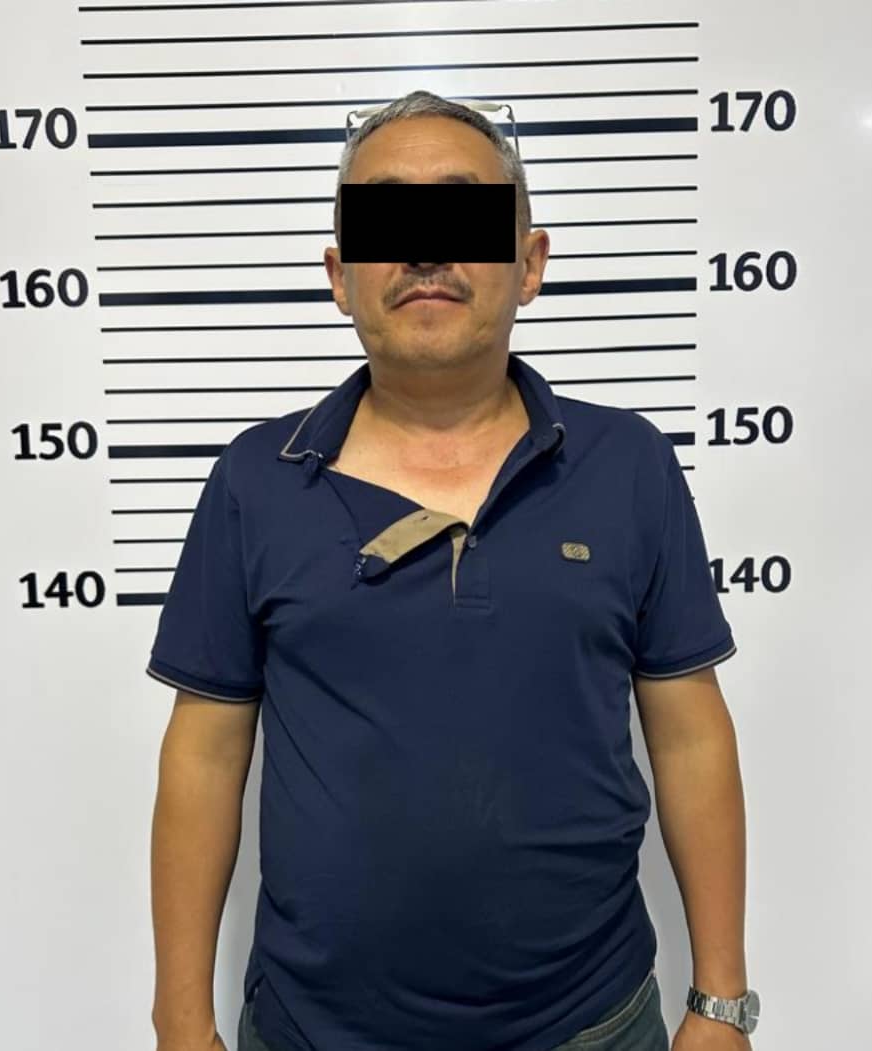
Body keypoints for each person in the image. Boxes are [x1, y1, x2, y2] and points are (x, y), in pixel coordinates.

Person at [147, 90, 755, 1051]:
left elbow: (689, 736)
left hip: (593, 1028)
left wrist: (720, 1001)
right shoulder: (254, 482)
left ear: (531, 263)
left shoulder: (630, 465)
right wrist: (180, 1021)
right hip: (312, 1034)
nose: (426, 253)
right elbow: (204, 754)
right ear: (340, 277)